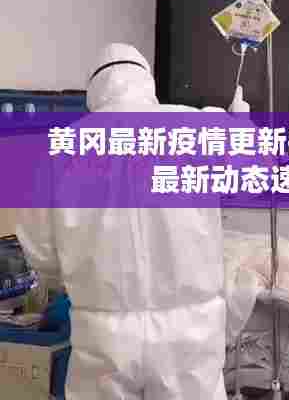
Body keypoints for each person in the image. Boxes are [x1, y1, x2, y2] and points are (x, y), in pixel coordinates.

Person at [16, 43, 249, 400]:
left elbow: (41, 251)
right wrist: (241, 125)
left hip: (104, 334)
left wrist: (71, 281)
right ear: (146, 81)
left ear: (94, 91)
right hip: (189, 333)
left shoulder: (60, 150)